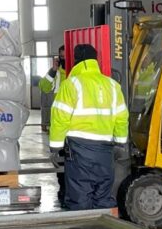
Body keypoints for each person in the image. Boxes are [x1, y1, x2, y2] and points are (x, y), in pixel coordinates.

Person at [49, 44, 129, 210]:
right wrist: (121, 142)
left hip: (79, 150)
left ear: (76, 60)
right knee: (102, 194)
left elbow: (60, 118)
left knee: (80, 195)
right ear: (96, 60)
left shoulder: (71, 84)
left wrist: (55, 148)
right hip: (105, 150)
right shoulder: (113, 85)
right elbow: (122, 117)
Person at [39, 45, 66, 132]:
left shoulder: (76, 72)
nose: (64, 59)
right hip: (57, 118)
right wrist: (53, 71)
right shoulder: (55, 72)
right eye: (62, 56)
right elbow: (43, 87)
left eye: (67, 56)